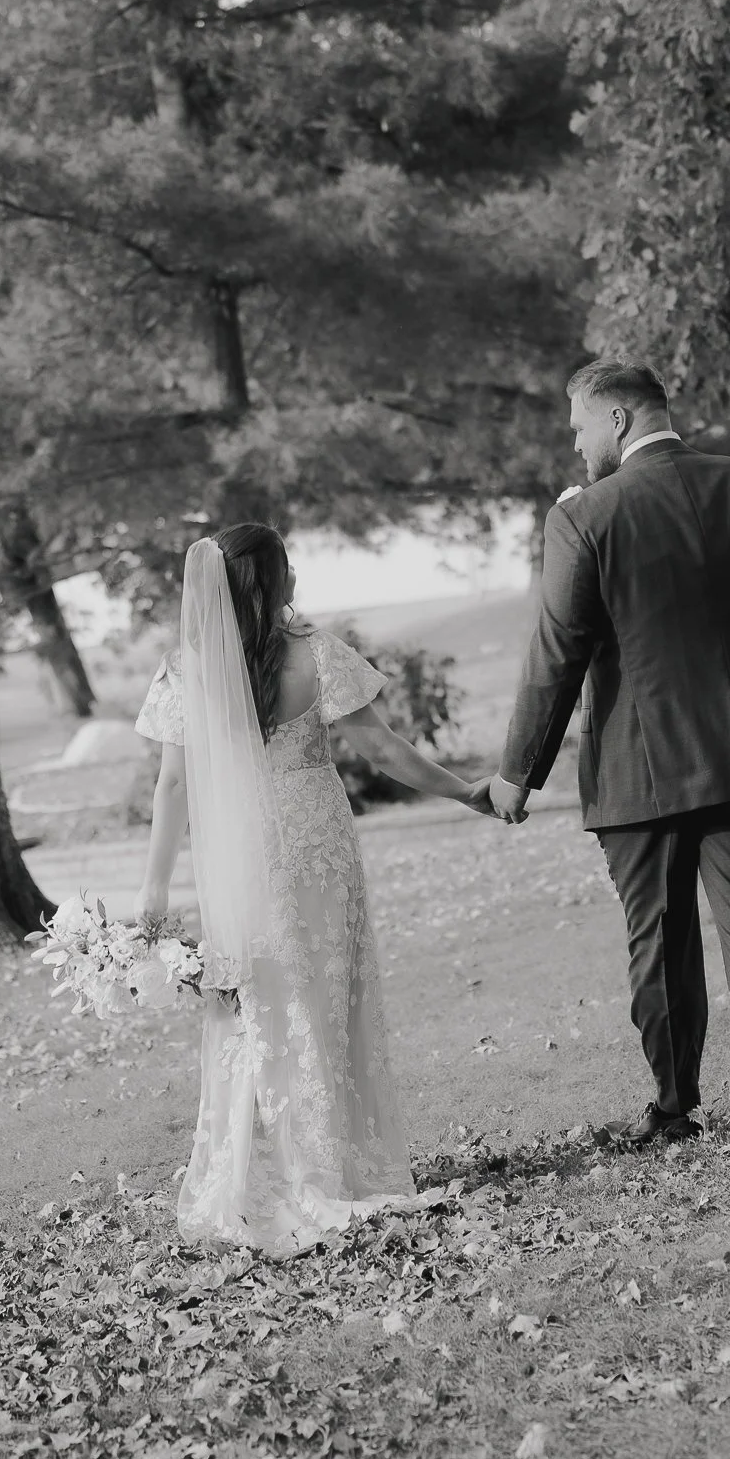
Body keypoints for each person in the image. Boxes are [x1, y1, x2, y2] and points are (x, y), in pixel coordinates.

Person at [486, 358, 730, 1153]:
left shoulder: (585, 515)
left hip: (639, 765)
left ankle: (674, 1108)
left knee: (658, 934)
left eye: (579, 426)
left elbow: (557, 650)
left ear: (615, 420)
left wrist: (517, 772)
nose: (576, 446)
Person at [134, 523, 491, 1251]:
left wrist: (155, 889)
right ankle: (329, 1163)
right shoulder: (317, 655)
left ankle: (260, 1167)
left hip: (239, 851)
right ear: (274, 580)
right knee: (326, 995)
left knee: (256, 999)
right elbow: (384, 750)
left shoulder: (186, 669)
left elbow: (172, 785)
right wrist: (465, 793)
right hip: (317, 844)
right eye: (287, 565)